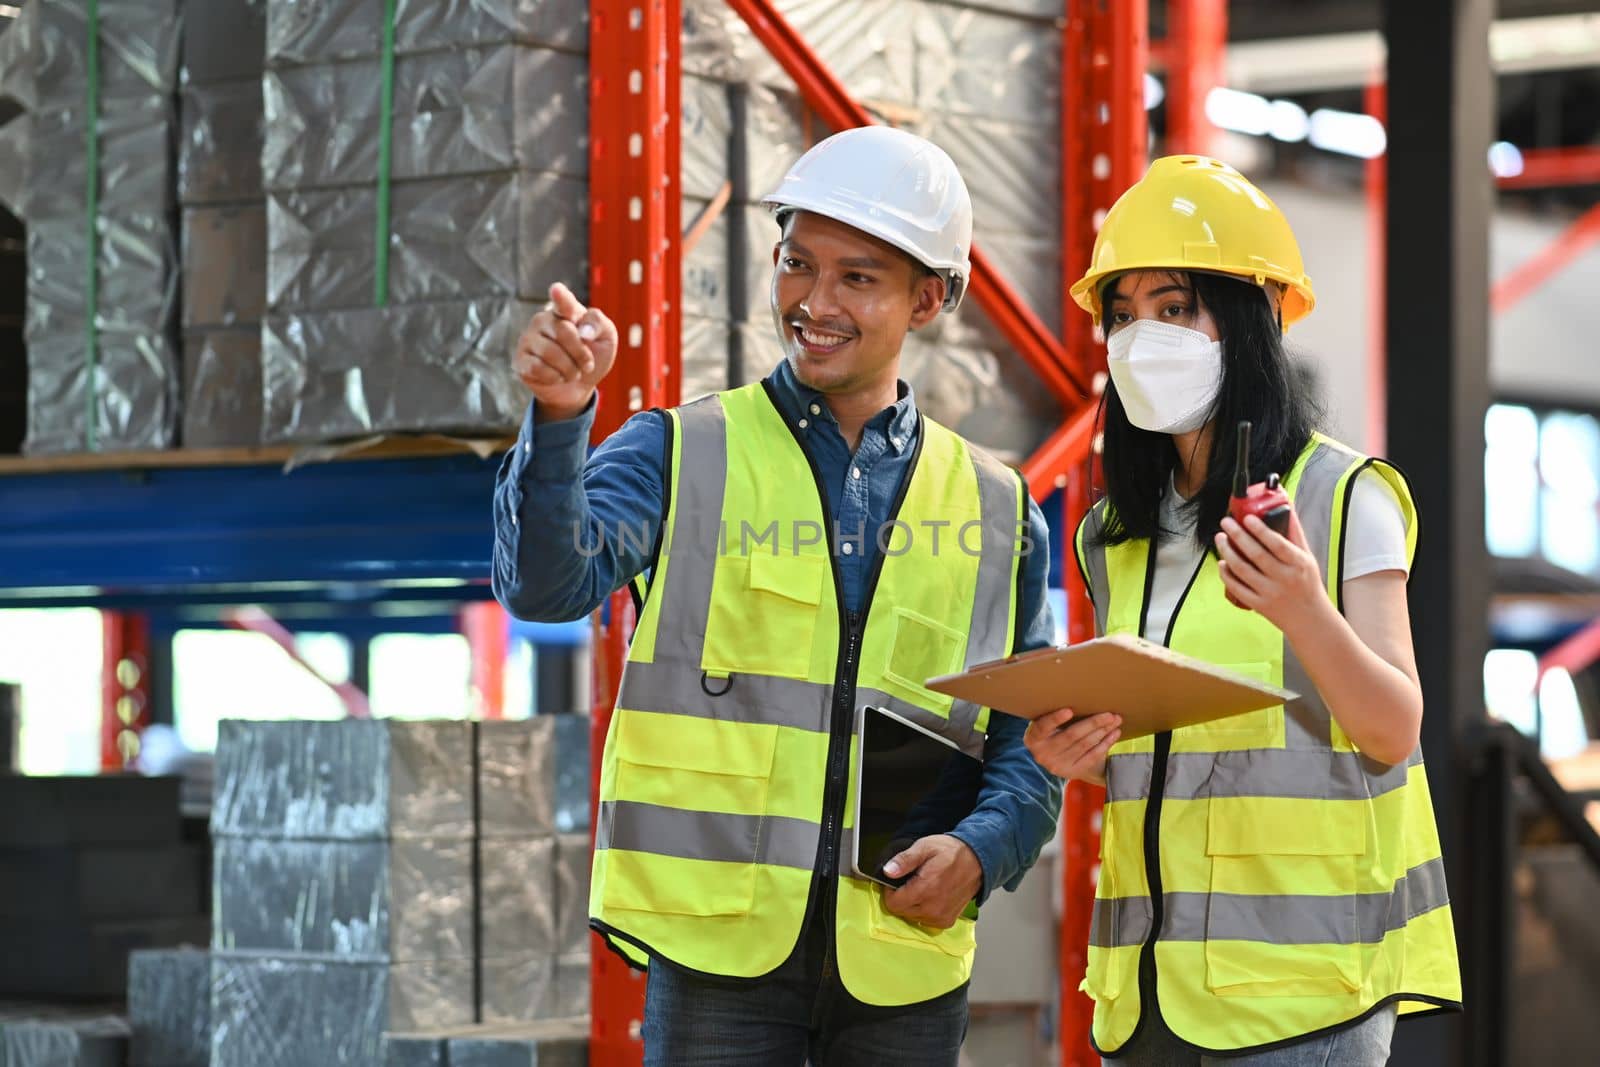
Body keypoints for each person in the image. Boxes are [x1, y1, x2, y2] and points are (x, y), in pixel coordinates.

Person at [492, 125, 1063, 1066]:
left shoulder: (997, 508)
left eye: (857, 277)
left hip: (900, 957)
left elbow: (1026, 740)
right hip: (716, 952)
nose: (813, 301)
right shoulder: (681, 450)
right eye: (797, 263)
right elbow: (547, 585)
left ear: (930, 296)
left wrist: (982, 850)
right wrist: (559, 420)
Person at [1025, 155, 1462, 1065]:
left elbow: (1393, 728)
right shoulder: (1113, 534)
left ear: (1251, 317)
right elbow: (1181, 765)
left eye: (1175, 307)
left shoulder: (1344, 498)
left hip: (1299, 1001)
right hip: (1146, 995)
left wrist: (1305, 608)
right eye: (1124, 313)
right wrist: (1085, 755)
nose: (1143, 336)